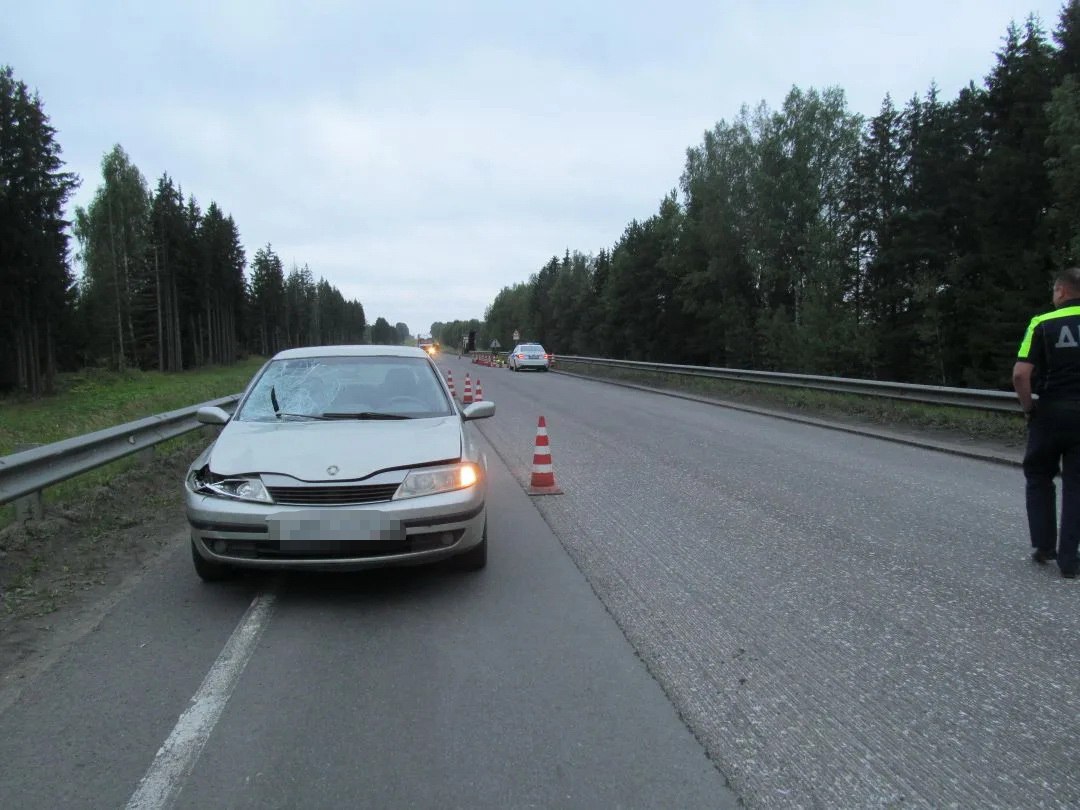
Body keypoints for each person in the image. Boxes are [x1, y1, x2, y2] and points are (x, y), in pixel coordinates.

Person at [1013, 267, 1080, 579]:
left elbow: (1020, 374)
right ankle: (1070, 559)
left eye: (1054, 291)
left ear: (1062, 291)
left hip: (1051, 412)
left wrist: (1029, 408)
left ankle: (1043, 546)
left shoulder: (1042, 323)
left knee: (1039, 474)